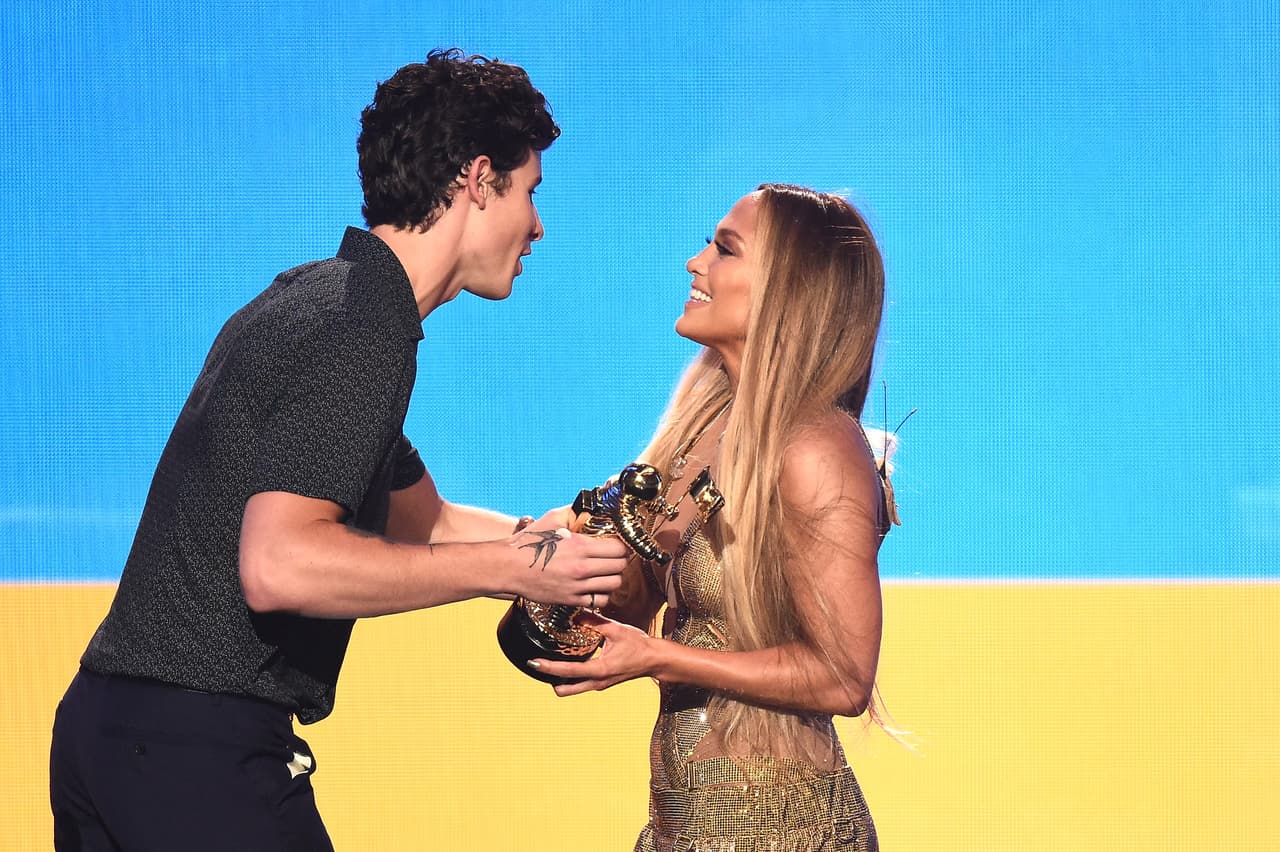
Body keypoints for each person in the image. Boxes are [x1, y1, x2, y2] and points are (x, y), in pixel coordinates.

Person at [48, 49, 629, 851]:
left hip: (110, 731)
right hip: (192, 750)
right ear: (478, 179)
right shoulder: (364, 329)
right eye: (531, 193)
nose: (537, 225)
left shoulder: (318, 295)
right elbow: (279, 565)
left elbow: (421, 521)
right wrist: (514, 568)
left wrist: (557, 541)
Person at [529, 184, 897, 851]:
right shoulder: (704, 423)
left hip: (785, 835)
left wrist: (659, 658)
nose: (695, 263)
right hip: (684, 828)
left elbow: (844, 676)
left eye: (725, 249)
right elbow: (649, 609)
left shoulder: (816, 446)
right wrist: (566, 564)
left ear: (791, 289)